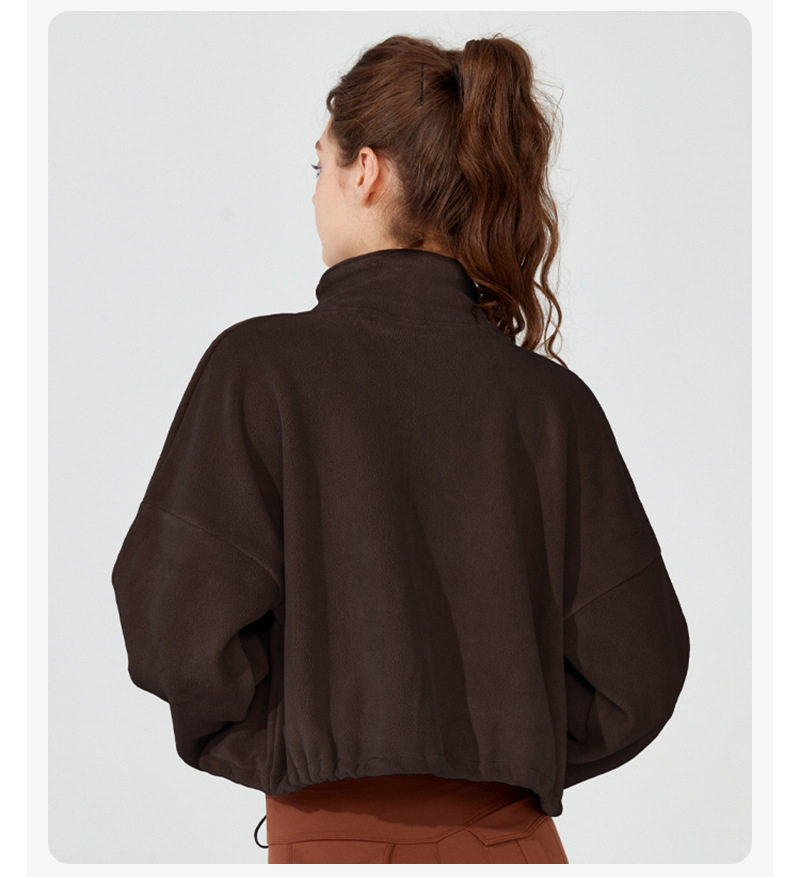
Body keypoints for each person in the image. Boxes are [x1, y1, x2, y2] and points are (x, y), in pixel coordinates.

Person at [111, 33, 690, 864]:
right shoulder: (551, 404)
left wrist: (303, 743)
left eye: (319, 166)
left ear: (366, 171)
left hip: (331, 839)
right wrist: (506, 743)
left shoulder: (260, 369)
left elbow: (175, 622)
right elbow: (639, 665)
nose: (316, 192)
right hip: (513, 843)